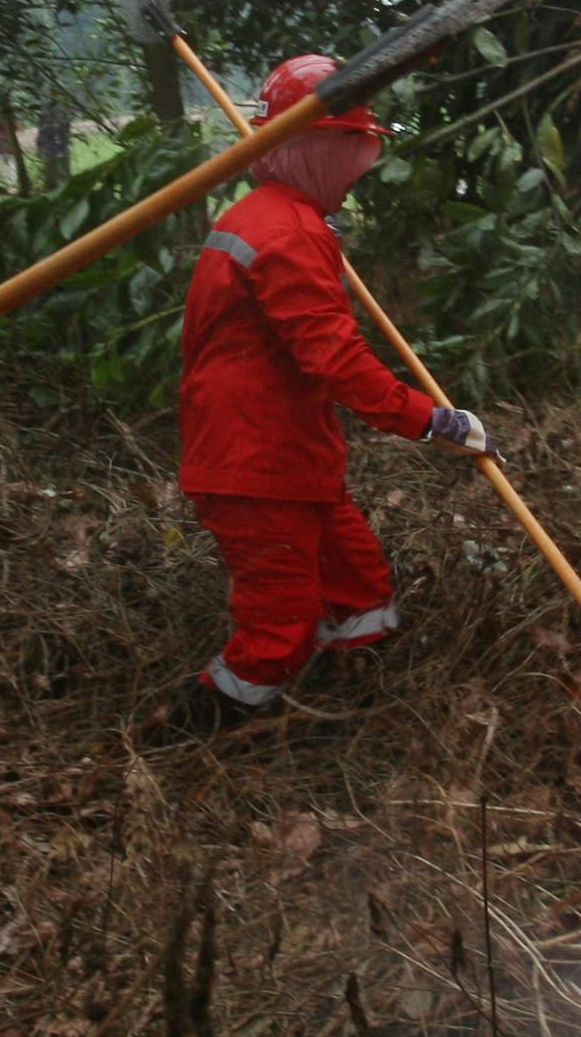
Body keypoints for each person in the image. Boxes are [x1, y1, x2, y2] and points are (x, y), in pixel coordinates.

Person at [172, 54, 491, 734]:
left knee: (360, 588)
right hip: (255, 466)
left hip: (289, 458)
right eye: (354, 149)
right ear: (319, 147)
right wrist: (430, 420)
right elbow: (335, 359)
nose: (359, 169)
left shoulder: (277, 219)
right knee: (279, 625)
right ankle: (192, 737)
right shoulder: (286, 233)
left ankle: (354, 716)